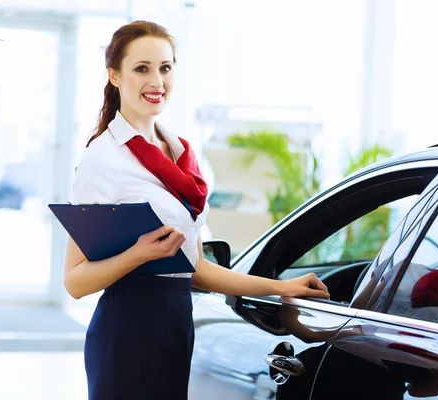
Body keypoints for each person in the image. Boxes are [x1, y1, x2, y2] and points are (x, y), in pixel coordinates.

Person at [63, 20, 330, 400]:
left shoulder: (181, 154)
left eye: (165, 68)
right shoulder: (102, 160)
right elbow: (75, 281)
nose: (156, 80)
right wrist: (140, 254)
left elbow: (196, 268)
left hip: (177, 328)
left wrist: (281, 287)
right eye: (142, 68)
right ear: (115, 76)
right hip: (128, 332)